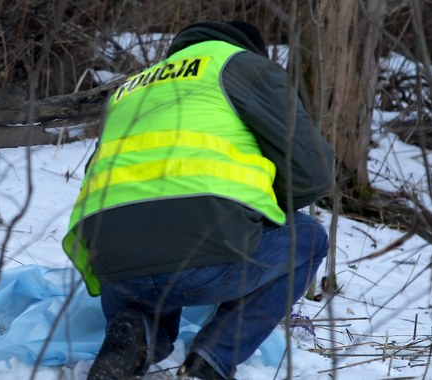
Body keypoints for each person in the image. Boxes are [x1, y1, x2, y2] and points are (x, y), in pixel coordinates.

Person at [62, 20, 333, 380]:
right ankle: (213, 358)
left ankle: (136, 331)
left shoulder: (130, 87)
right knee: (310, 239)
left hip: (114, 266)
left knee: (156, 244)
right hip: (203, 257)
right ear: (251, 49)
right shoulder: (244, 67)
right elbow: (312, 172)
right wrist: (258, 208)